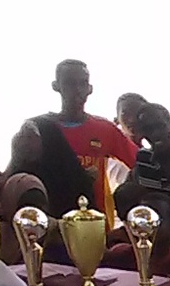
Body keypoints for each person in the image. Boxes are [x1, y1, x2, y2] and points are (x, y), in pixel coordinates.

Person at [34, 58, 135, 213]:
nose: (77, 89)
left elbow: (138, 162)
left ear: (90, 88)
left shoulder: (105, 129)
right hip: (51, 217)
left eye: (82, 83)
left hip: (97, 220)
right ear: (56, 86)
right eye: (70, 83)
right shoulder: (39, 128)